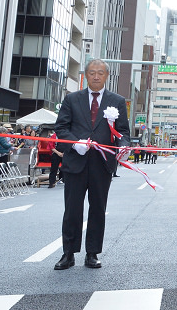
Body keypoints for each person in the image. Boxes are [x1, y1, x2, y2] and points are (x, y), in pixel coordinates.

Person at [52, 60, 131, 270]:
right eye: (92, 73)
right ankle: (68, 253)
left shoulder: (117, 101)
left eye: (100, 73)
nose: (96, 77)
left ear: (107, 76)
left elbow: (123, 131)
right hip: (75, 161)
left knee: (98, 209)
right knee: (72, 209)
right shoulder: (72, 99)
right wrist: (74, 144)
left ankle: (92, 253)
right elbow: (61, 127)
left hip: (102, 163)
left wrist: (123, 146)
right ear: (86, 75)